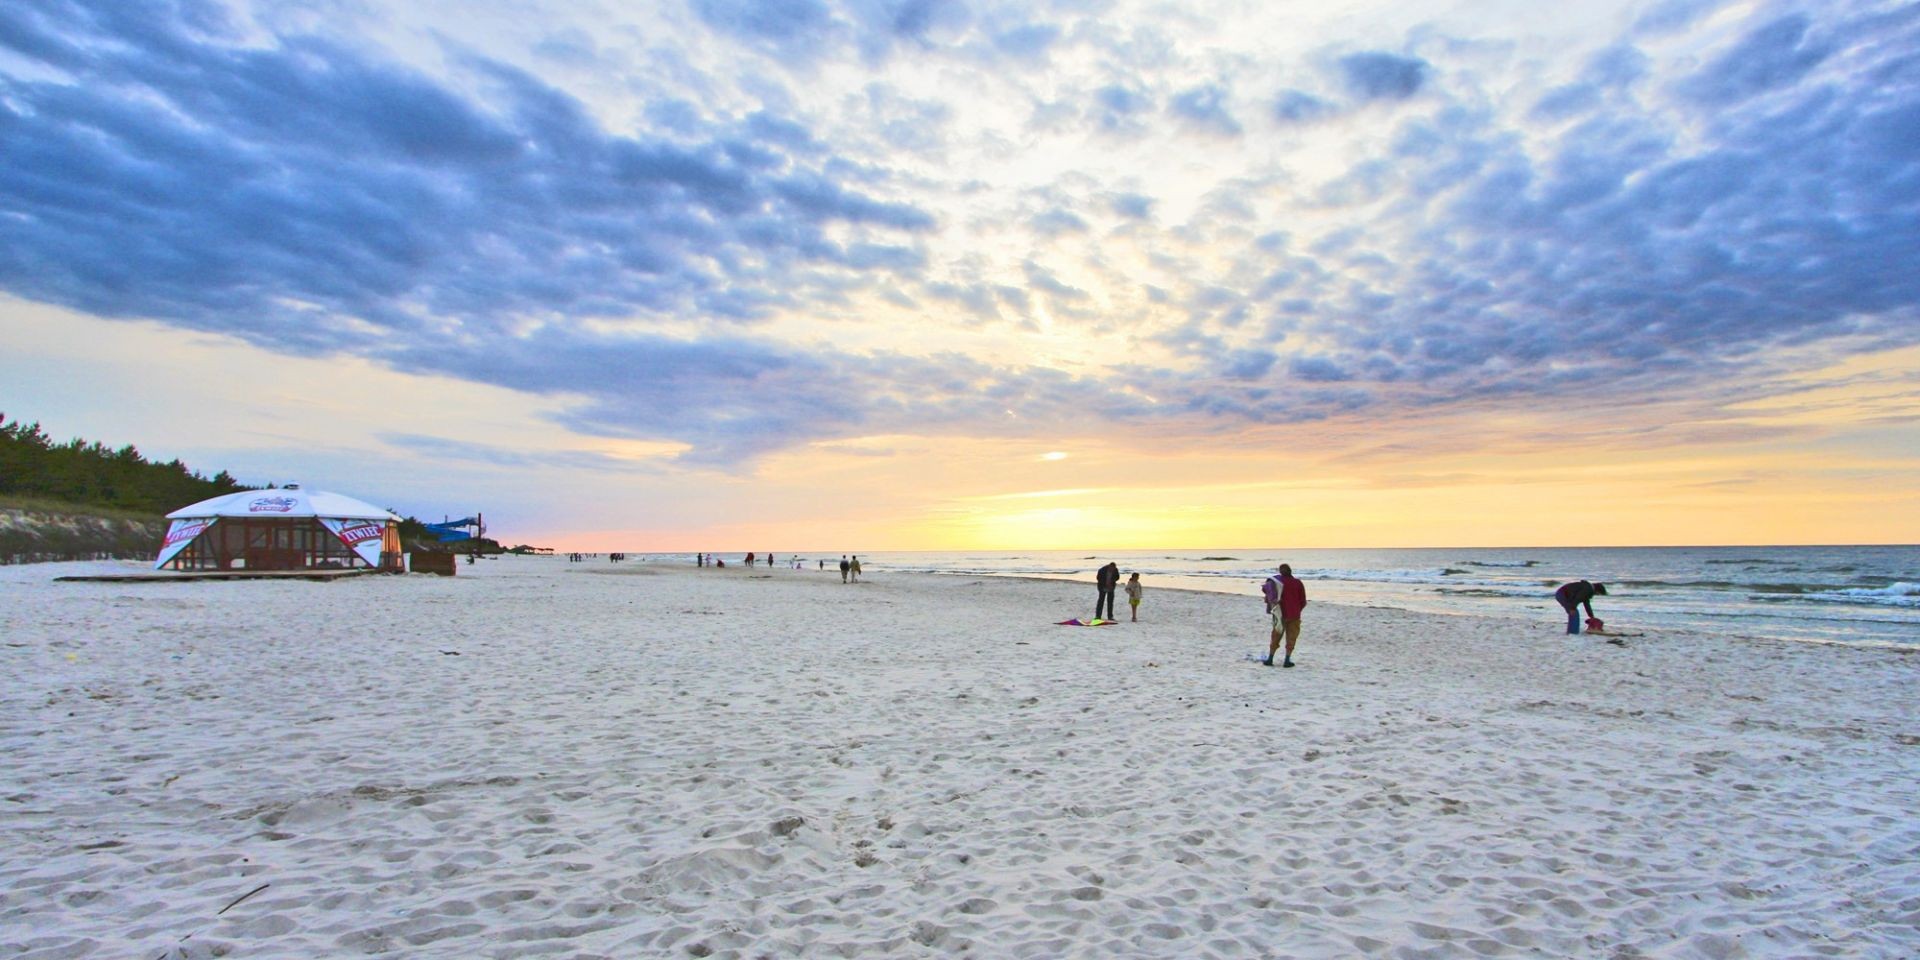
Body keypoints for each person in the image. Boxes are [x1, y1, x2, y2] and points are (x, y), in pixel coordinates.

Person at [1261, 564, 1307, 667]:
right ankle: (1287, 660)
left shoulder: (1276, 582)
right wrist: (1298, 610)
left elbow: (1266, 589)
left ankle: (1270, 659)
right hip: (1294, 614)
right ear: (1291, 571)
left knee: (1276, 636)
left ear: (1280, 572)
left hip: (1280, 614)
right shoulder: (1298, 583)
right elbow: (1303, 601)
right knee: (1291, 638)